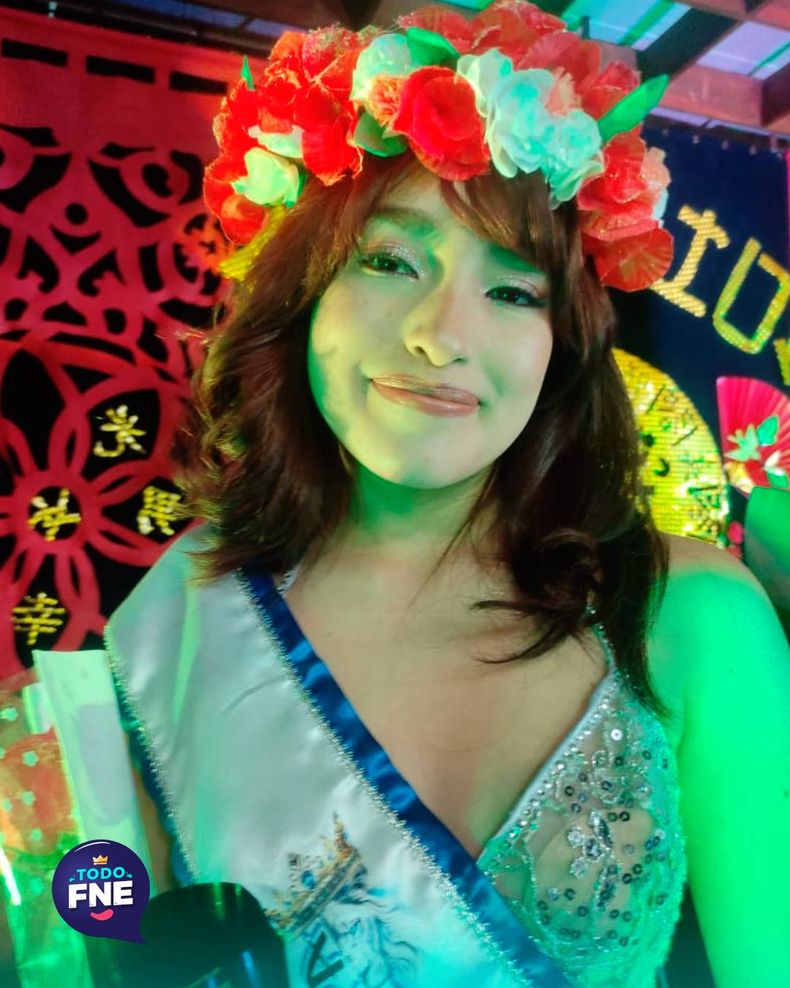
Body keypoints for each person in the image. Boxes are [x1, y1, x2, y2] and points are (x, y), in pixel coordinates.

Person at [97, 3, 790, 987]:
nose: (441, 335)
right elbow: (100, 927)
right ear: (302, 296)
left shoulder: (690, 614)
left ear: (562, 346)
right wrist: (46, 848)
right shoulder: (187, 616)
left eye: (513, 291)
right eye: (389, 260)